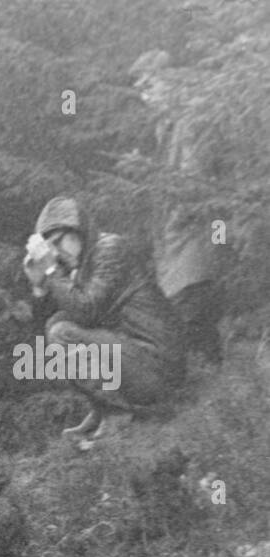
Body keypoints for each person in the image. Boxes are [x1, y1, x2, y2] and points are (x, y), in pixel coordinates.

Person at [22, 195, 182, 447]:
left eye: (57, 241)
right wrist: (39, 286)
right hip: (134, 358)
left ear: (77, 231)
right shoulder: (79, 265)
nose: (56, 252)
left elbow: (87, 310)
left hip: (157, 364)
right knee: (57, 324)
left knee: (63, 332)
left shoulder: (110, 249)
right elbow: (43, 328)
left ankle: (118, 412)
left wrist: (52, 272)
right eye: (49, 246)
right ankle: (103, 409)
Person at [130, 49, 229, 369]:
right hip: (177, 249)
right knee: (195, 328)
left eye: (150, 84)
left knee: (190, 323)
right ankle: (217, 392)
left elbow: (195, 184)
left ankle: (214, 397)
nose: (144, 94)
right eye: (140, 87)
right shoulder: (167, 126)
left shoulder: (187, 124)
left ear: (169, 82)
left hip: (192, 244)